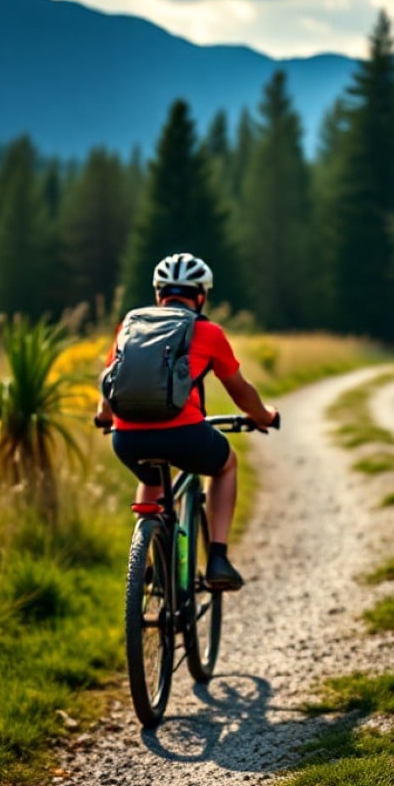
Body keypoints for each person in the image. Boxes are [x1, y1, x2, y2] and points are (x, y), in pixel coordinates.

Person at [95, 252, 277, 591]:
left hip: (127, 439)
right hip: (185, 435)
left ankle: (148, 560)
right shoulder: (207, 331)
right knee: (226, 465)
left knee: (151, 477)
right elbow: (239, 389)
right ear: (201, 295)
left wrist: (105, 417)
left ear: (158, 294)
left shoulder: (128, 326)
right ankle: (218, 559)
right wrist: (262, 415)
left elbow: (110, 382)